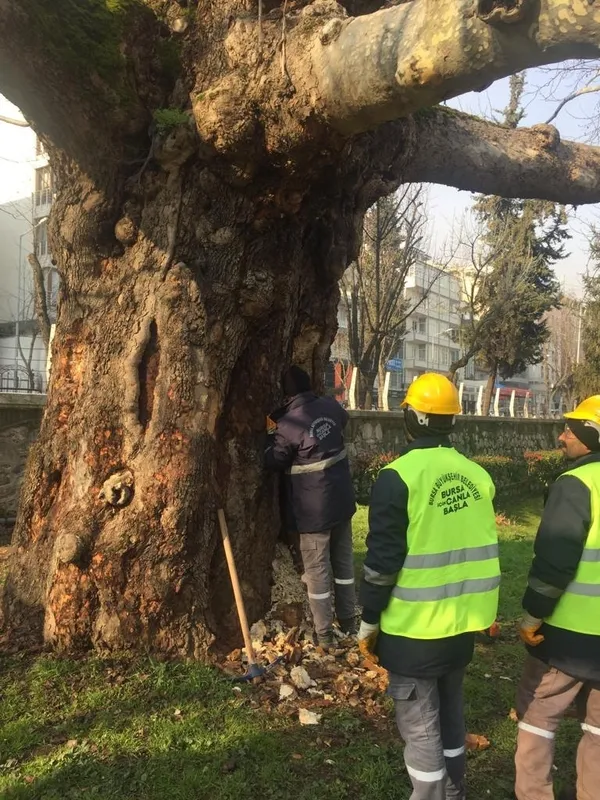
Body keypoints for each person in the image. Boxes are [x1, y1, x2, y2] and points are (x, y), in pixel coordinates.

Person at [358, 373, 499, 800]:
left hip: (413, 633)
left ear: (414, 418)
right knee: (451, 715)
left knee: (420, 729)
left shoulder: (397, 478)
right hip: (460, 629)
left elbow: (382, 566)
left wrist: (368, 621)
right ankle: (455, 791)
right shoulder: (477, 477)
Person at [515, 396, 600, 800]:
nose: (562, 435)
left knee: (538, 714)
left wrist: (533, 616)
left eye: (573, 428)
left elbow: (554, 562)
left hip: (568, 635)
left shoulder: (576, 484)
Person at [265, 366, 357, 647]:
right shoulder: (331, 406)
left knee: (317, 572)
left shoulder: (290, 425)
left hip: (313, 510)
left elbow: (274, 460)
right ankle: (350, 622)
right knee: (343, 565)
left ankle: (324, 635)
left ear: (286, 395)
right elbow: (341, 420)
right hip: (341, 501)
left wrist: (268, 437)